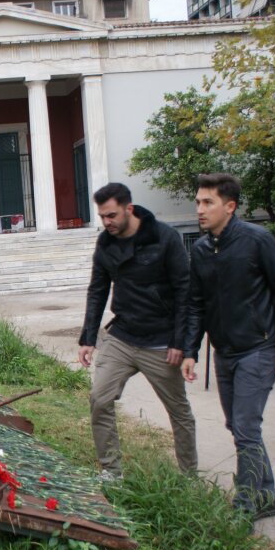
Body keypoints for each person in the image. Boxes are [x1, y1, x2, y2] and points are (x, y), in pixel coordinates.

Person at [182, 173, 275, 522]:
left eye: (208, 202)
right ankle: (268, 497)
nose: (200, 209)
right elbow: (196, 304)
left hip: (259, 348)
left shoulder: (257, 240)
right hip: (225, 351)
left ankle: (245, 507)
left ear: (230, 206)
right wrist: (190, 351)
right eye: (198, 202)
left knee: (247, 427)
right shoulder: (201, 250)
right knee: (238, 426)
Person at [78, 182, 197, 480]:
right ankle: (111, 472)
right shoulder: (106, 243)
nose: (107, 222)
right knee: (99, 398)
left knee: (179, 411)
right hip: (123, 336)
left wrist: (180, 341)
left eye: (112, 215)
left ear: (129, 209)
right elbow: (98, 289)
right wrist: (88, 338)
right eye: (102, 216)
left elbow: (185, 291)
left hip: (161, 341)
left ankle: (189, 478)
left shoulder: (164, 237)